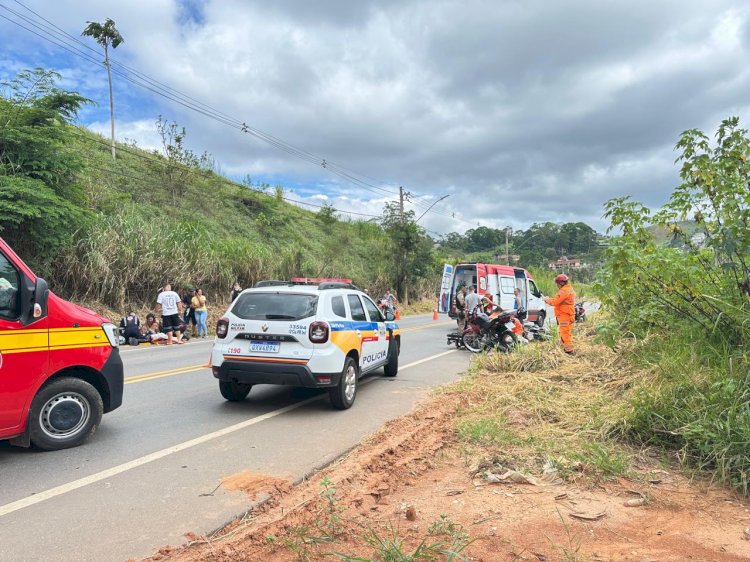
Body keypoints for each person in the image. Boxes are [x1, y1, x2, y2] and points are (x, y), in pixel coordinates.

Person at [545, 273, 576, 354]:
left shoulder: (563, 291)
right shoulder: (569, 289)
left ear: (561, 283)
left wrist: (546, 300)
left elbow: (555, 302)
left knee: (565, 334)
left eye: (557, 284)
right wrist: (550, 298)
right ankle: (568, 349)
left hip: (564, 315)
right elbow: (559, 300)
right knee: (567, 333)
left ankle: (569, 351)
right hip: (569, 314)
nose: (557, 285)